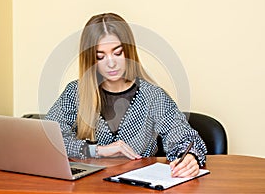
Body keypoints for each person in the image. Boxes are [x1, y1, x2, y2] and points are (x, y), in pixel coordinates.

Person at [45, 12, 207, 178]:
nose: (111, 63)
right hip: (90, 187)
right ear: (91, 61)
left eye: (117, 53)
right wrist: (98, 151)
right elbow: (48, 139)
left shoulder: (152, 96)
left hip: (140, 186)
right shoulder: (75, 93)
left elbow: (183, 137)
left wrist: (189, 157)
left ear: (129, 52)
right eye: (100, 56)